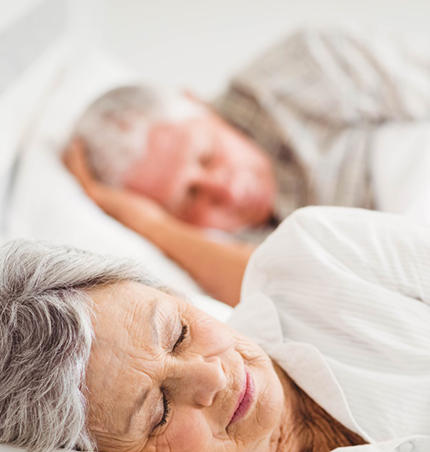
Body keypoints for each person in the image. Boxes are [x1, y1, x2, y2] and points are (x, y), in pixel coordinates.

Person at [1, 206, 429, 452]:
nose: (213, 377)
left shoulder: (319, 255)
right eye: (160, 412)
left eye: (179, 334)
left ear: (172, 293)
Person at [67, 27, 430, 306]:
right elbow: (292, 289)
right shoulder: (208, 247)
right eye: (190, 197)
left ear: (198, 103)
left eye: (207, 156)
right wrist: (151, 225)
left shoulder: (313, 64)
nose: (228, 191)